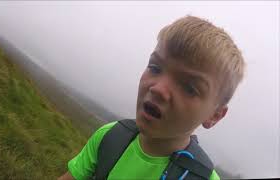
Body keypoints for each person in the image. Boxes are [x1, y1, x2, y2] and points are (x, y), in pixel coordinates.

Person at [58, 15, 245, 180]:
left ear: (215, 115)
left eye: (189, 88)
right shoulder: (110, 136)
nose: (158, 89)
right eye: (155, 68)